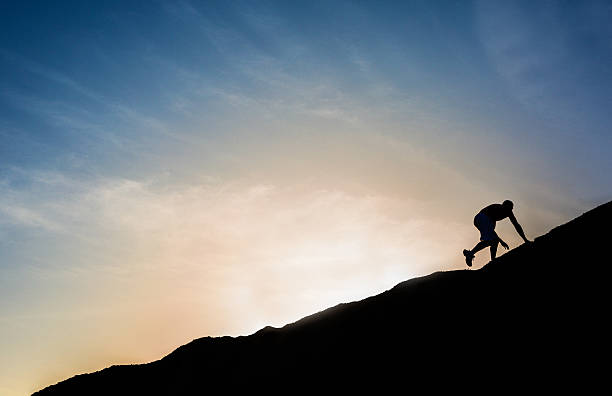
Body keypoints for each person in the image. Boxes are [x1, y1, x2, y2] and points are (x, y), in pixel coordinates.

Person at [463, 200, 530, 267]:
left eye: (511, 209)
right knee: (493, 240)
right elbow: (492, 231)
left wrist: (525, 239)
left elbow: (516, 225)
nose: (510, 210)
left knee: (494, 241)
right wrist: (502, 241)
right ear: (504, 206)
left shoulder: (508, 212)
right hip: (482, 218)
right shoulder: (496, 208)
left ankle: (492, 260)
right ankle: (471, 253)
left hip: (480, 219)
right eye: (509, 208)